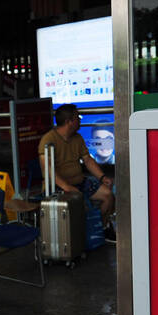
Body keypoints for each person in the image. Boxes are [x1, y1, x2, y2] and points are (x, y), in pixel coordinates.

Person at [37, 103, 116, 240]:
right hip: (58, 187)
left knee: (108, 196)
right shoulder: (48, 140)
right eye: (77, 117)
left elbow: (88, 160)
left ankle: (100, 228)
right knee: (79, 205)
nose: (80, 120)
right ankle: (82, 233)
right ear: (69, 122)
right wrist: (68, 187)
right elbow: (48, 171)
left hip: (80, 181)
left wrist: (102, 177)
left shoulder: (77, 138)